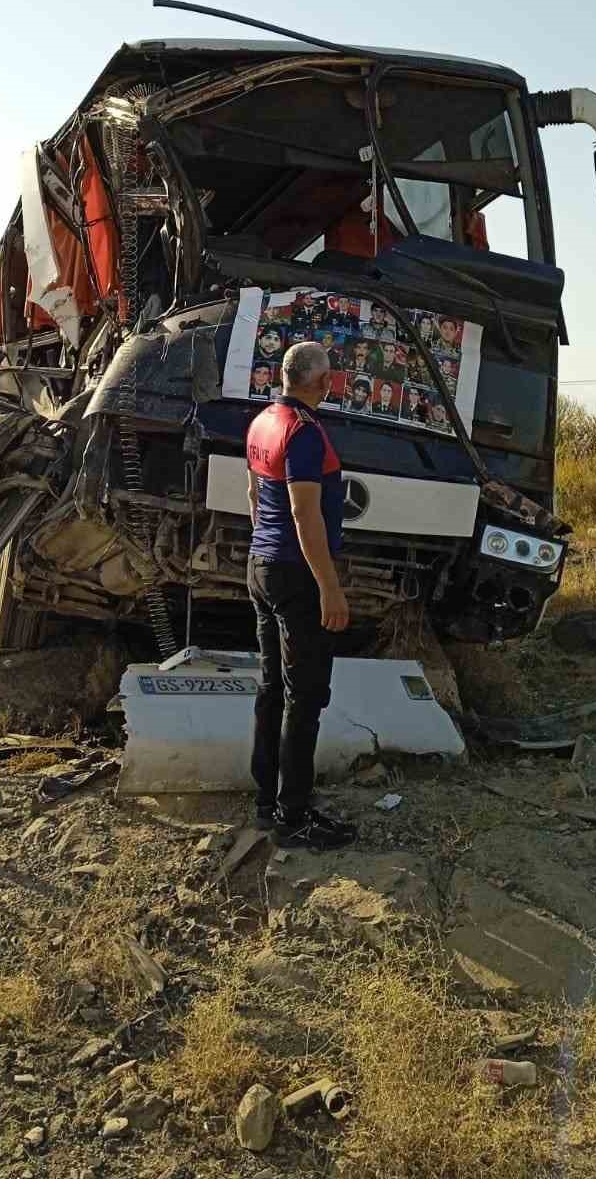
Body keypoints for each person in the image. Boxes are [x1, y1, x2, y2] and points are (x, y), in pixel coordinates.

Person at [245, 342, 358, 850]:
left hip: (261, 567)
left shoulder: (263, 420)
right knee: (305, 697)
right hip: (297, 576)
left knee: (272, 689)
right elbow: (303, 514)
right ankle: (294, 816)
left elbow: (254, 497)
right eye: (331, 377)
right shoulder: (305, 433)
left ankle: (266, 801)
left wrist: (264, 548)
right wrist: (329, 587)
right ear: (322, 383)